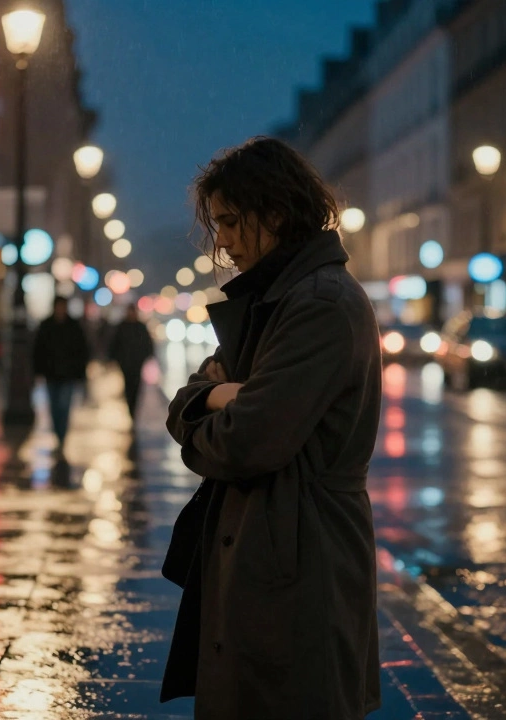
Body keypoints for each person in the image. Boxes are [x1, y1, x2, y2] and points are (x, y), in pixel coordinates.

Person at [162, 137, 383, 718]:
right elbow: (186, 397)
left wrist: (210, 406)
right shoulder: (280, 299)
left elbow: (249, 441)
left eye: (232, 222)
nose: (225, 242)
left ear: (277, 213)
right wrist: (216, 397)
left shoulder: (320, 304)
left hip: (304, 559)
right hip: (274, 547)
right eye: (218, 225)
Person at [32, 296, 90, 452]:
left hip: (68, 375)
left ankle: (62, 435)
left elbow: (82, 351)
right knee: (54, 407)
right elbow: (38, 351)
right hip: (51, 374)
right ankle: (58, 433)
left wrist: (80, 373)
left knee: (64, 406)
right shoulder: (46, 326)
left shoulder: (73, 326)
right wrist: (38, 371)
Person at [108, 304, 155, 423]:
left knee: (136, 388)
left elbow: (148, 345)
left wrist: (146, 357)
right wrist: (116, 359)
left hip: (137, 364)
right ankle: (131, 411)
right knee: (128, 387)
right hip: (125, 364)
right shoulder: (122, 327)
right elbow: (114, 345)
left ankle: (133, 411)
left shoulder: (140, 327)